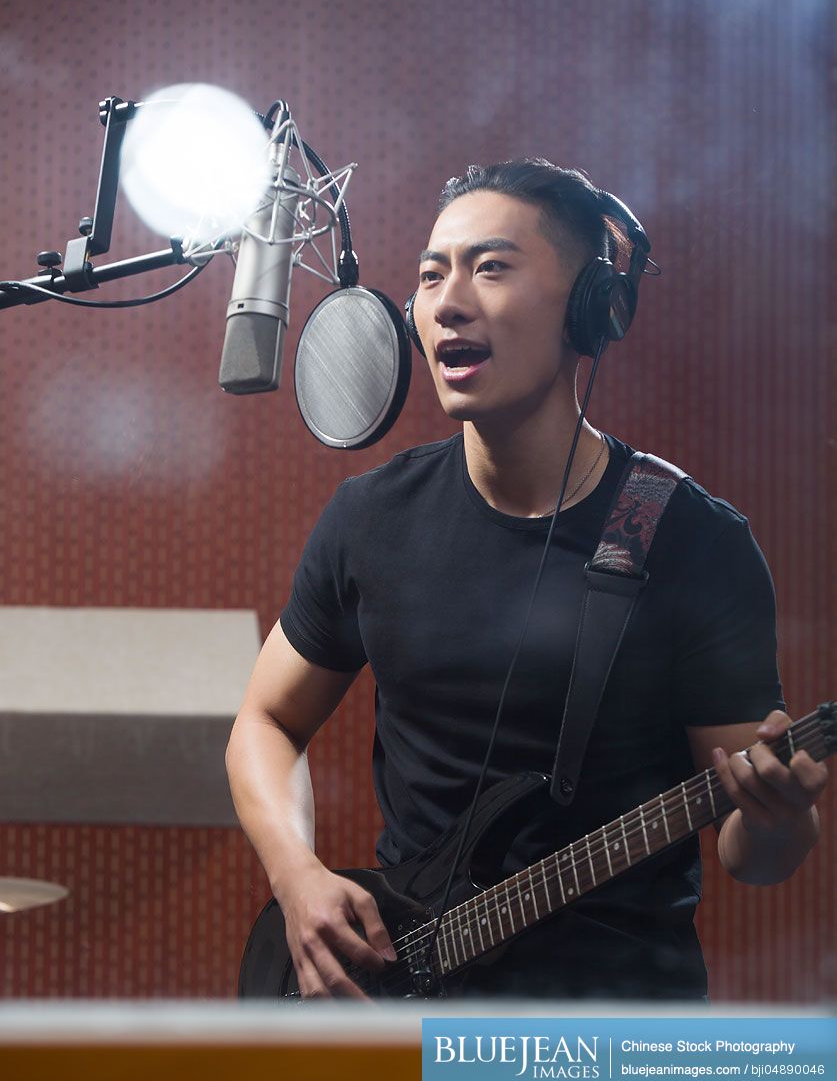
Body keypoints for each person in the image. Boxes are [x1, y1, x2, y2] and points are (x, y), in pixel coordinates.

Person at [226, 160, 828, 1001]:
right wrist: (296, 876)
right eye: (432, 273)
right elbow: (265, 718)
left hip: (607, 1027)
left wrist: (777, 819)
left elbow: (750, 855)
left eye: (491, 266)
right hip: (404, 998)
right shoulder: (372, 517)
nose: (447, 300)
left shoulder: (690, 538)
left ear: (591, 309)